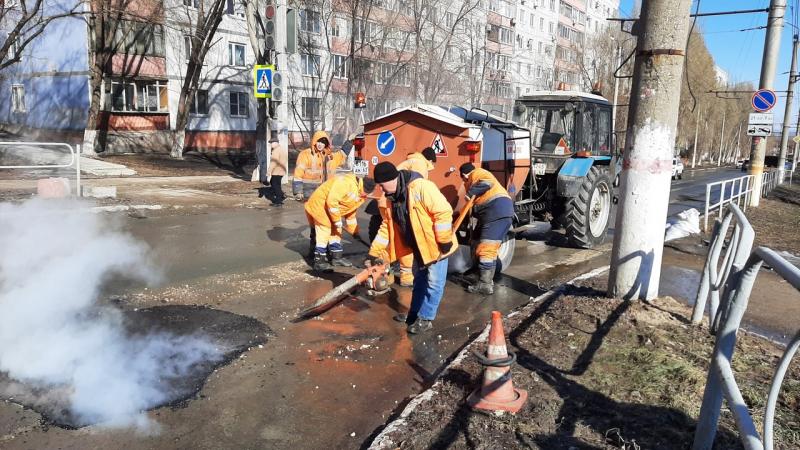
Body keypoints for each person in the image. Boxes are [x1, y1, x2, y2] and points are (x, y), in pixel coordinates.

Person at [368, 161, 455, 334]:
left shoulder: (422, 187)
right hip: (419, 247)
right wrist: (374, 252)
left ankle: (426, 318)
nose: (382, 190)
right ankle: (414, 314)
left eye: (382, 186)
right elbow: (387, 227)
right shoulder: (393, 199)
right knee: (420, 280)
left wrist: (444, 240)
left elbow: (443, 211)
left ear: (392, 179)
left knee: (434, 282)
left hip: (437, 245)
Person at [305, 162, 375, 272]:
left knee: (336, 230)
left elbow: (350, 214)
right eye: (364, 193)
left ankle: (336, 258)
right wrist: (337, 220)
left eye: (366, 195)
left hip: (331, 210)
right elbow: (331, 201)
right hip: (320, 205)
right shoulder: (345, 183)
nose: (365, 196)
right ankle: (319, 261)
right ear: (362, 186)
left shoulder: (361, 194)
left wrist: (354, 232)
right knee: (325, 229)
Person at [459, 163, 514, 295]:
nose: (463, 182)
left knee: (486, 249)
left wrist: (470, 193)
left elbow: (487, 182)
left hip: (496, 212)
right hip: (497, 213)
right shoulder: (476, 181)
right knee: (483, 244)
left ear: (464, 175)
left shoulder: (477, 173)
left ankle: (485, 284)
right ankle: (482, 276)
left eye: (462, 178)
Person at [392, 147, 437, 286]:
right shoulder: (420, 164)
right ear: (430, 160)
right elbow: (417, 187)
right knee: (408, 239)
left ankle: (385, 273)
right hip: (400, 203)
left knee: (393, 237)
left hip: (392, 200)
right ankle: (407, 277)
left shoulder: (411, 160)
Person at [293, 131, 346, 201]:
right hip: (309, 192)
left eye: (323, 143)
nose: (320, 144)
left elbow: (341, 154)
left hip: (325, 192)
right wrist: (298, 191)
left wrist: (350, 142)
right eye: (319, 142)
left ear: (326, 144)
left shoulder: (329, 156)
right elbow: (298, 174)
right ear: (314, 141)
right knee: (312, 211)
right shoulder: (305, 154)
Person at [266, 138, 287, 206]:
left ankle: (278, 201)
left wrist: (269, 171)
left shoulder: (276, 151)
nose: (270, 145)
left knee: (275, 186)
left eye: (271, 143)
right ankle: (281, 195)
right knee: (275, 184)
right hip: (282, 170)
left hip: (277, 170)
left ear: (275, 143)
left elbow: (273, 162)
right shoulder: (282, 149)